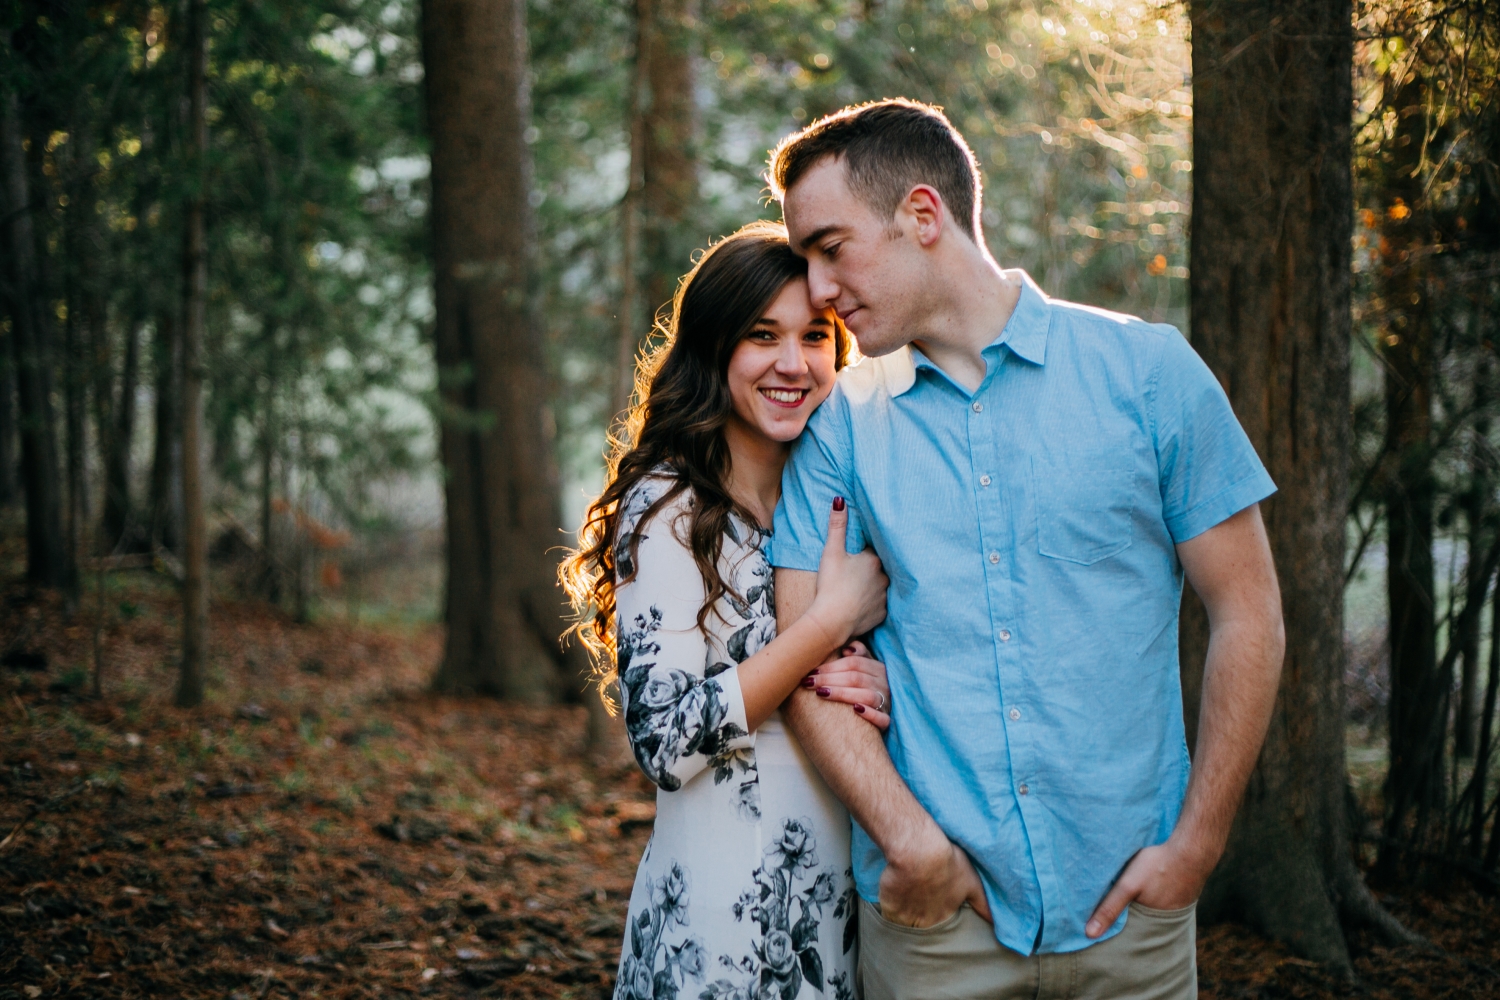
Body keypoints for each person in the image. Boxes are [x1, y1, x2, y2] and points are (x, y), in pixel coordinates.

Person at [765, 99, 1286, 1000]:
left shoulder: (1149, 375)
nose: (816, 288)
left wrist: (1196, 848)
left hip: (1134, 922)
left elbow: (1247, 611)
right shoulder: (841, 423)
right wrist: (912, 844)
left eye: (829, 246)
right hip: (936, 929)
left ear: (922, 215)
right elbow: (800, 657)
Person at [561, 221, 895, 1000]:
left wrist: (879, 686)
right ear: (715, 351)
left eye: (814, 335)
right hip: (717, 921)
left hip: (835, 908)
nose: (792, 363)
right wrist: (822, 628)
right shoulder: (668, 508)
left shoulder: (840, 504)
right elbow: (666, 741)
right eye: (761, 336)